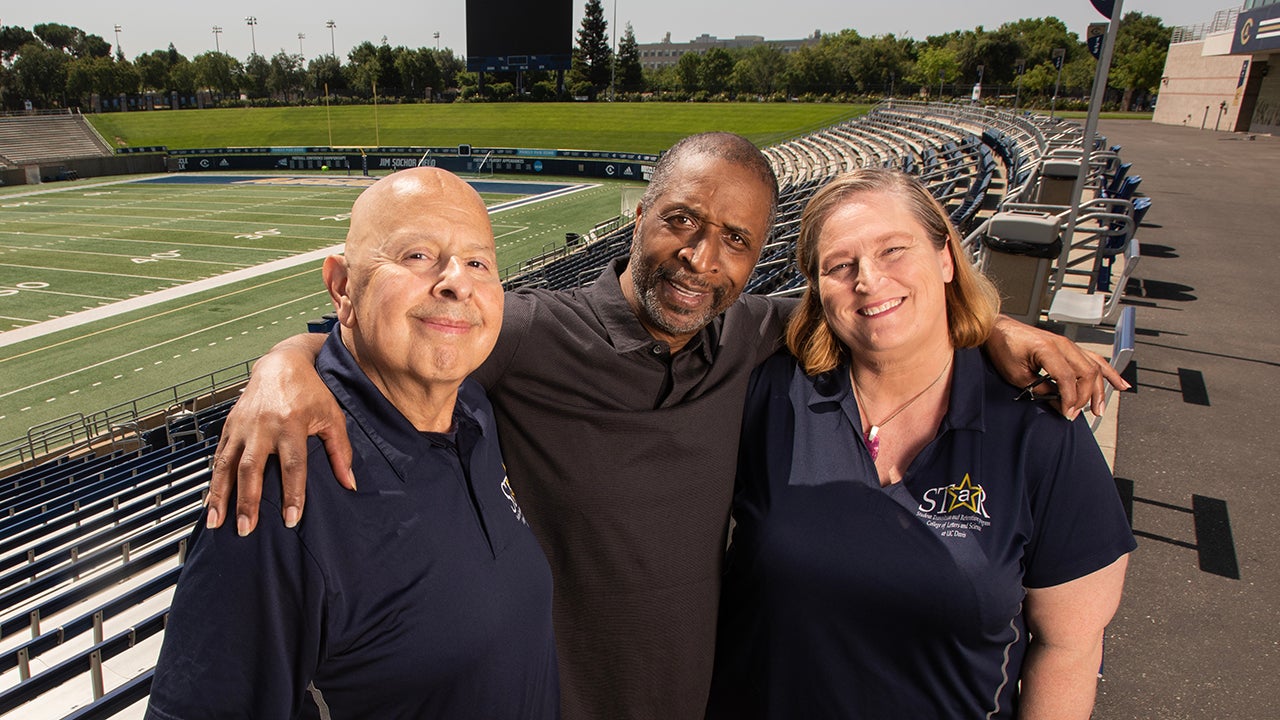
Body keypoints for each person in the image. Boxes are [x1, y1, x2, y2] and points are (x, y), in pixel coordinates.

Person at [204, 133, 1125, 720]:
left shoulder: (758, 339)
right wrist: (284, 364)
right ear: (639, 216)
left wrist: (994, 325)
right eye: (682, 221)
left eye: (735, 241)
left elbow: (885, 310)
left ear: (759, 262)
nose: (700, 257)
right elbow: (410, 325)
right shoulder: (528, 331)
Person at [706, 168, 1135, 719]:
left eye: (893, 250)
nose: (867, 279)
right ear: (817, 288)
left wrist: (996, 328)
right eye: (840, 265)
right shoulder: (770, 394)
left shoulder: (1039, 429)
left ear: (946, 258)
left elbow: (1069, 647)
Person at [146, 168, 559, 719]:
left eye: (478, 262)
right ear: (343, 286)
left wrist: (287, 355)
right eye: (416, 255)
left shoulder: (474, 410)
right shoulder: (281, 498)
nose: (456, 281)